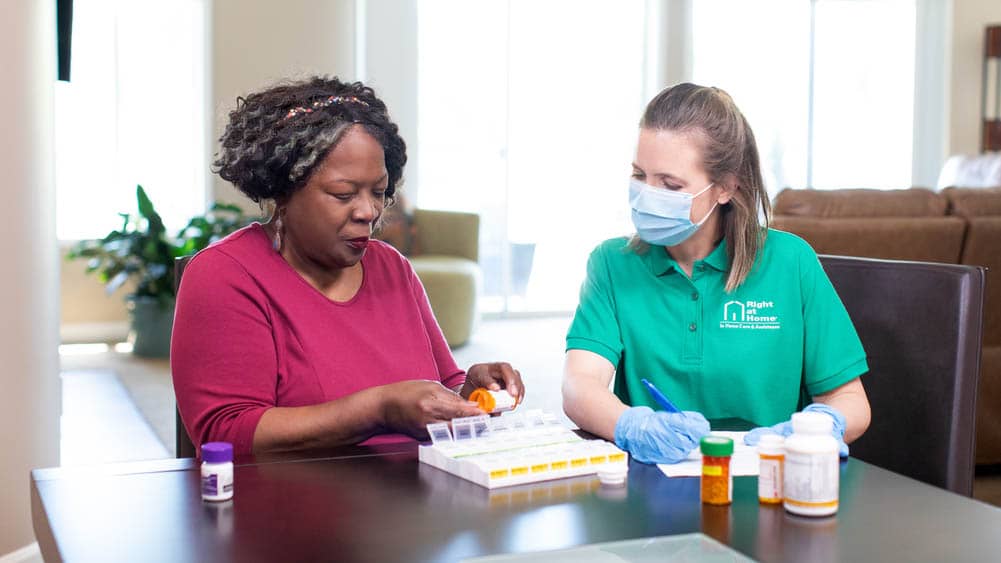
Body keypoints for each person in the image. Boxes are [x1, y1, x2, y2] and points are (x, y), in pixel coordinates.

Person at [172, 76, 523, 455]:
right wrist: (378, 409)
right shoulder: (224, 276)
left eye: (378, 192)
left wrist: (469, 393)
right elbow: (225, 432)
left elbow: (443, 383)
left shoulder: (392, 267)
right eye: (343, 194)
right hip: (294, 507)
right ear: (282, 191)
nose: (368, 211)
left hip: (408, 502)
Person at [561, 83, 870, 464]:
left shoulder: (791, 262)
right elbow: (580, 385)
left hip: (771, 479)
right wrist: (632, 425)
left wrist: (822, 425)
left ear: (725, 187)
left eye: (670, 184)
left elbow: (851, 400)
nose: (646, 194)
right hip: (655, 482)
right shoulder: (611, 263)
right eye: (639, 175)